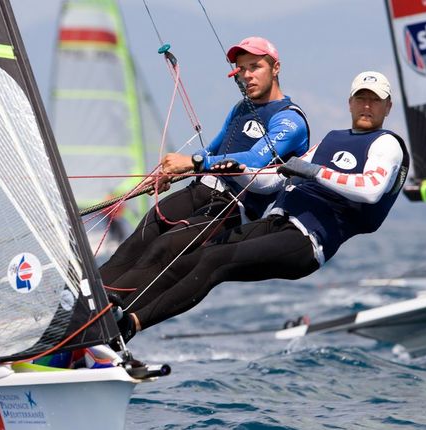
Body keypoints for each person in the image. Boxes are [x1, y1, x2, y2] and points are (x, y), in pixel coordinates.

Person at [111, 71, 409, 342]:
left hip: (305, 241)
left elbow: (371, 190)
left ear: (387, 107)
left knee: (216, 262)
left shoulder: (386, 144)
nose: (367, 106)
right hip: (273, 223)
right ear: (350, 103)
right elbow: (273, 182)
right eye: (362, 99)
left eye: (375, 101)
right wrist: (238, 170)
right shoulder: (332, 138)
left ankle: (129, 325)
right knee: (195, 254)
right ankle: (115, 315)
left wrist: (315, 172)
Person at [99, 36, 310, 292]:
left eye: (255, 67)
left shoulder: (290, 120)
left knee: (163, 248)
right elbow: (212, 150)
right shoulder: (241, 108)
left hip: (233, 206)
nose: (247, 76)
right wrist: (168, 170)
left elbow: (254, 160)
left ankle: (107, 311)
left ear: (275, 68)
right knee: (139, 238)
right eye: (242, 69)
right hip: (200, 190)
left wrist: (192, 162)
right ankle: (80, 305)